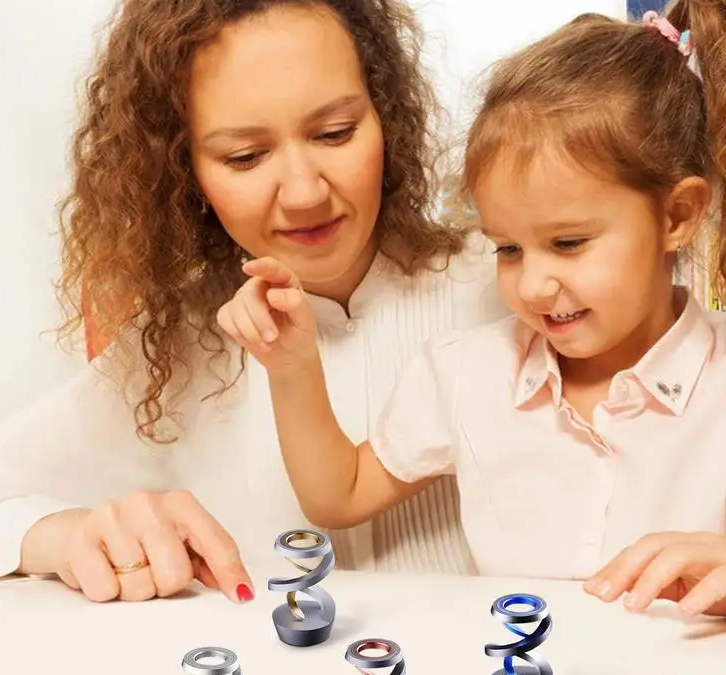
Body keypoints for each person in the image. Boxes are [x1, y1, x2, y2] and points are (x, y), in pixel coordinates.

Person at [0, 0, 507, 602]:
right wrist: (66, 535)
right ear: (184, 171)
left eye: (335, 133)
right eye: (245, 157)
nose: (306, 193)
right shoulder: (176, 349)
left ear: (385, 117)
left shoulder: (512, 287)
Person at [217, 2, 726, 617]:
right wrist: (291, 364)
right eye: (508, 248)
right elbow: (339, 495)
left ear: (676, 216)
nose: (534, 284)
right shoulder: (468, 373)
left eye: (568, 243)